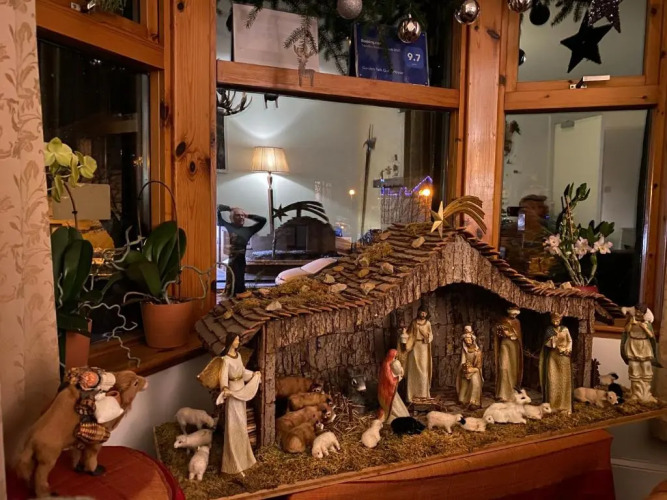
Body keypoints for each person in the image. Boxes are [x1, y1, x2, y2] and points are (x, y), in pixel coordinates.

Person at [197, 332, 261, 475]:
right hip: (232, 393)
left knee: (242, 425)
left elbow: (242, 372)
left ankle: (245, 459)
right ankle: (232, 463)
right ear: (231, 342)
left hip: (241, 391)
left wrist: (253, 375)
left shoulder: (238, 356)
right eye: (236, 340)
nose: (238, 342)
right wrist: (225, 388)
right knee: (234, 426)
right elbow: (223, 377)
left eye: (238, 340)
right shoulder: (225, 360)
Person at [217, 205, 266, 295]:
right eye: (238, 215)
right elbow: (218, 209)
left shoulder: (248, 230)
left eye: (242, 215)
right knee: (232, 277)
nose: (241, 217)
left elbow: (263, 220)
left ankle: (239, 293)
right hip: (232, 260)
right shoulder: (228, 226)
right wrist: (229, 208)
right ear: (232, 218)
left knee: (240, 277)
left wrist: (248, 215)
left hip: (241, 260)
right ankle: (231, 293)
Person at [621, 304, 659, 403]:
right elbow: (626, 331)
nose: (638, 314)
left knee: (646, 366)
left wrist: (644, 327)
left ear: (644, 313)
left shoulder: (647, 323)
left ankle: (646, 393)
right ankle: (635, 393)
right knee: (634, 366)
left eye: (640, 313)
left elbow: (651, 335)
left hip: (644, 345)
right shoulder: (631, 320)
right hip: (633, 344)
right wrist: (631, 324)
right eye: (637, 312)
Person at [539, 312, 573, 414]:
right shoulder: (549, 330)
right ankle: (553, 405)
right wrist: (552, 341)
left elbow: (570, 341)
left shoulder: (565, 329)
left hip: (564, 357)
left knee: (564, 380)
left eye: (557, 320)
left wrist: (567, 349)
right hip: (553, 357)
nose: (555, 322)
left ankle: (565, 405)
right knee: (553, 379)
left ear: (560, 320)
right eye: (554, 320)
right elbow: (546, 344)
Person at [400, 306, 433, 402]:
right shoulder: (414, 323)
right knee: (413, 371)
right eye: (422, 312)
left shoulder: (428, 323)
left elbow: (431, 335)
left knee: (423, 370)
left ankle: (423, 395)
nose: (423, 314)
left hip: (423, 347)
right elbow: (409, 334)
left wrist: (427, 338)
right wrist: (404, 333)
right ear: (418, 312)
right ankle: (411, 396)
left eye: (425, 313)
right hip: (414, 347)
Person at [495, 306, 523, 401]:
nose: (514, 315)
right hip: (505, 344)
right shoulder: (503, 320)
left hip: (514, 346)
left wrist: (512, 335)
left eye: (516, 314)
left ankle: (512, 391)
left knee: (513, 368)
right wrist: (502, 332)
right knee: (503, 367)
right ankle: (502, 393)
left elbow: (518, 336)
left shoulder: (517, 322)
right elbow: (498, 333)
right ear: (509, 312)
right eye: (513, 313)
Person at [377, 349, 410, 424]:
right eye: (394, 357)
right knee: (395, 408)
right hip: (389, 392)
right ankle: (393, 417)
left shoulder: (388, 364)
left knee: (399, 407)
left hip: (391, 391)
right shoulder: (387, 366)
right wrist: (399, 377)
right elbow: (391, 381)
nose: (395, 359)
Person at [456, 326, 484, 409]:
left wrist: (472, 370)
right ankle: (463, 398)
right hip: (466, 369)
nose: (467, 341)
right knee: (463, 381)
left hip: (475, 370)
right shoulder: (464, 350)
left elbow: (478, 366)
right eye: (466, 340)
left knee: (475, 381)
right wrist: (465, 368)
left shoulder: (477, 352)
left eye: (469, 339)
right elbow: (462, 361)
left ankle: (474, 401)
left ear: (472, 340)